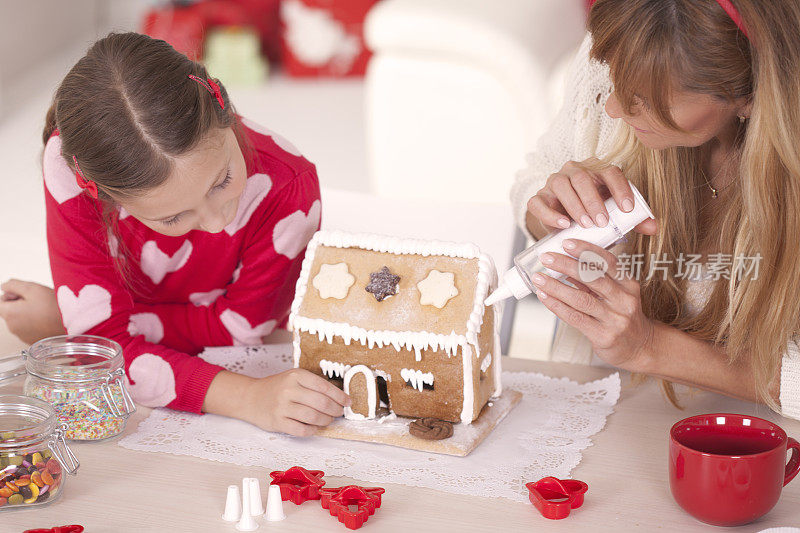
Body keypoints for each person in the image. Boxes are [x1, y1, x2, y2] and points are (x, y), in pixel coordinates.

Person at [0, 32, 349, 436]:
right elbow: (107, 354)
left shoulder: (290, 187)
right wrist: (246, 398)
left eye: (222, 181)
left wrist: (67, 329)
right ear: (103, 192)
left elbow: (240, 330)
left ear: (223, 107)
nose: (218, 224)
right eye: (172, 218)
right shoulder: (70, 170)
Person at [511, 0, 800, 418]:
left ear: (751, 94)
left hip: (752, 449)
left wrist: (648, 347)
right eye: (614, 81)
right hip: (594, 414)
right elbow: (532, 177)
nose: (611, 108)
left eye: (645, 100)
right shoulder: (629, 45)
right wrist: (553, 216)